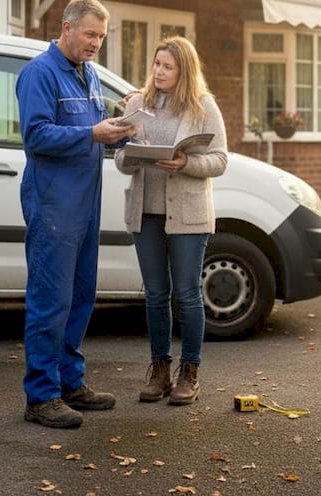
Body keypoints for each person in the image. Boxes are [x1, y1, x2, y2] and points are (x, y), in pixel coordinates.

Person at [16, 0, 137, 429]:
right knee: (50, 300)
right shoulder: (39, 73)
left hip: (84, 206)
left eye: (101, 37)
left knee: (81, 297)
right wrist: (92, 132)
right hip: (53, 205)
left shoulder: (86, 75)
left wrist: (125, 130)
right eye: (90, 34)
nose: (95, 43)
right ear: (66, 28)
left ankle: (71, 383)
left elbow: (98, 133)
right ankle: (41, 395)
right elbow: (36, 136)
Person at [114, 36, 228, 406]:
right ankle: (159, 370)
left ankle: (189, 372)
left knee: (188, 294)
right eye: (156, 64)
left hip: (188, 214)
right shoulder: (136, 103)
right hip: (145, 211)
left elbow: (220, 160)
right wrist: (132, 151)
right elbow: (120, 161)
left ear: (184, 71)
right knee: (155, 294)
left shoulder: (203, 107)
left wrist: (185, 164)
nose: (159, 72)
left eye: (167, 67)